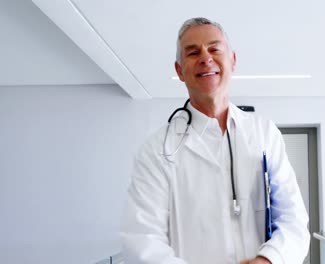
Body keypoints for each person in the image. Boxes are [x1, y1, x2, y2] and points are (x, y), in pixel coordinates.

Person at [120, 17, 310, 264]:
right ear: (179, 71)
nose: (205, 58)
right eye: (192, 52)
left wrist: (269, 259)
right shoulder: (157, 150)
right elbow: (141, 239)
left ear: (232, 60)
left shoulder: (264, 133)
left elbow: (293, 220)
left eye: (214, 49)